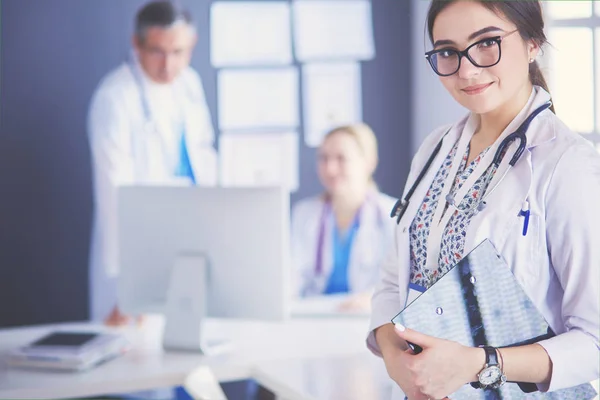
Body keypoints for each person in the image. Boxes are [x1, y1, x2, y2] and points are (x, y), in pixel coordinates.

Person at [367, 1, 600, 399]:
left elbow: (595, 342)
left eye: (487, 43)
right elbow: (395, 278)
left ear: (532, 43)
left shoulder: (567, 165)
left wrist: (481, 363)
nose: (467, 69)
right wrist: (390, 349)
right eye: (447, 52)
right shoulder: (434, 149)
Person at [88, 1, 217, 324]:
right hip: (138, 252)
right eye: (158, 51)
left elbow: (204, 156)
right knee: (138, 352)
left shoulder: (190, 84)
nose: (168, 65)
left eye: (179, 52)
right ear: (137, 43)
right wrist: (131, 286)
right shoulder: (115, 99)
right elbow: (114, 197)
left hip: (190, 242)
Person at [291, 123, 397, 312]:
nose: (330, 169)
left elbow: (404, 283)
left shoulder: (393, 216)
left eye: (341, 158)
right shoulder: (304, 214)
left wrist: (373, 298)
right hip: (313, 317)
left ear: (369, 162)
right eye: (324, 159)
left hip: (365, 318)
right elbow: (291, 277)